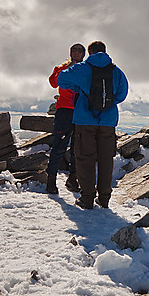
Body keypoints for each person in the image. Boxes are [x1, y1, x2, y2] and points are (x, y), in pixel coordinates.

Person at [57, 41, 128, 209]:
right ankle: (104, 199)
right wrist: (107, 104)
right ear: (105, 51)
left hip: (84, 120)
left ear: (89, 53)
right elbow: (122, 94)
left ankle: (87, 198)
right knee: (105, 159)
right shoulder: (116, 71)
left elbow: (62, 80)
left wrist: (80, 88)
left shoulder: (82, 68)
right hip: (108, 121)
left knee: (84, 158)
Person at [45, 43, 86, 194]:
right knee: (59, 146)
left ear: (83, 54)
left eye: (79, 50)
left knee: (77, 147)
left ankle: (73, 179)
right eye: (74, 50)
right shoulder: (61, 68)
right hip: (64, 110)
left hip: (80, 111)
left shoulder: (86, 69)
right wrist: (66, 67)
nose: (76, 52)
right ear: (70, 52)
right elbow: (53, 83)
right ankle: (51, 180)